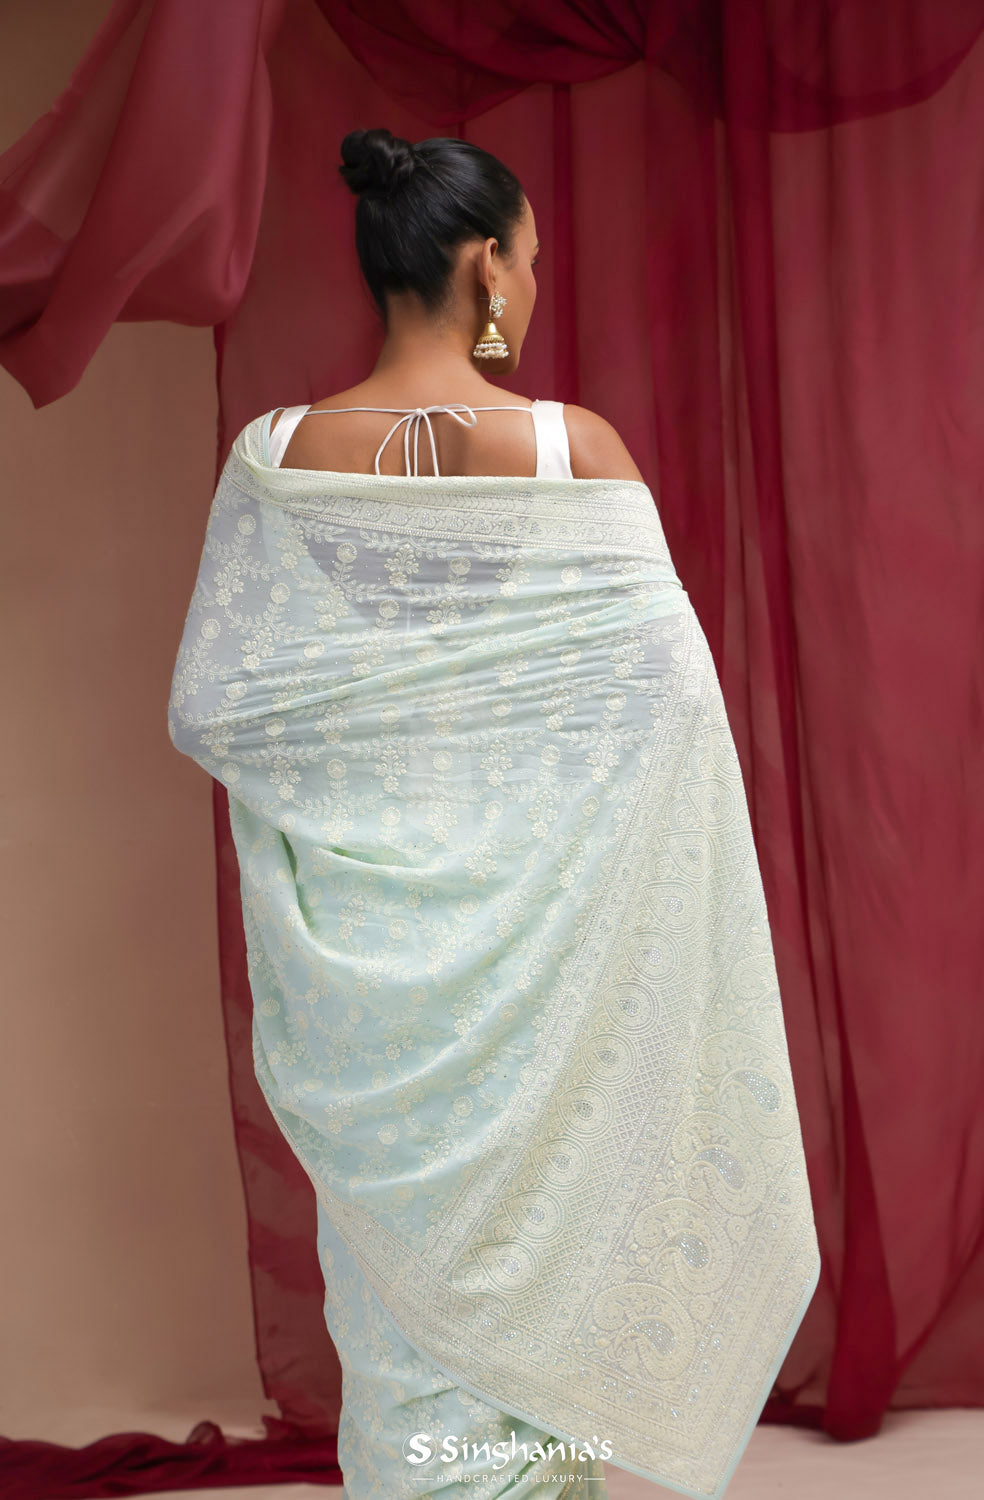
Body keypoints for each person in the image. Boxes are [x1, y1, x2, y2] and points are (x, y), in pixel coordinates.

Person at [168, 127, 820, 1500]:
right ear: (484, 268)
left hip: (370, 998)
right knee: (538, 1285)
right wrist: (549, 853)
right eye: (528, 260)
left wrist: (386, 785)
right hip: (543, 974)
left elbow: (222, 709)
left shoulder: (275, 454)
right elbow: (669, 722)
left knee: (404, 1315)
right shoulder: (570, 451)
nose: (531, 284)